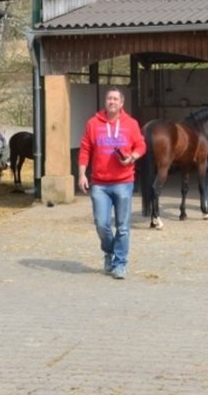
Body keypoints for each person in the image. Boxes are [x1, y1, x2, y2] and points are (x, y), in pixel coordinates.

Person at [77, 88, 145, 280]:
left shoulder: (131, 124)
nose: (112, 101)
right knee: (101, 223)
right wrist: (82, 175)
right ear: (105, 102)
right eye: (109, 98)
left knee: (123, 227)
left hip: (124, 182)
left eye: (115, 99)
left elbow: (141, 145)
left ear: (122, 103)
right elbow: (85, 150)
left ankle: (119, 264)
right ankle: (109, 251)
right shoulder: (93, 123)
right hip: (99, 183)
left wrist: (132, 157)